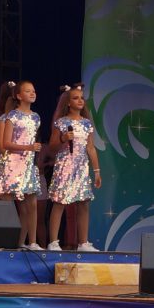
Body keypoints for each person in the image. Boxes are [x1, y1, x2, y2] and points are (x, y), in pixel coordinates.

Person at [0, 80, 46, 249]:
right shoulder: (12, 116)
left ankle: (30, 241)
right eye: (28, 91)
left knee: (31, 204)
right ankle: (4, 240)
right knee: (8, 205)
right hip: (12, 164)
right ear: (19, 96)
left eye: (34, 90)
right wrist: (29, 147)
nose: (32, 93)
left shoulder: (36, 117)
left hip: (28, 164)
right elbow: (5, 143)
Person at [45, 85, 102, 252]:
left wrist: (97, 171)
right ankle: (54, 241)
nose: (80, 101)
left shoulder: (86, 124)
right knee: (60, 202)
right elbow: (52, 148)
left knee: (83, 203)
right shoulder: (61, 122)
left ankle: (83, 242)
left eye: (82, 98)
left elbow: (91, 148)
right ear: (68, 103)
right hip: (64, 166)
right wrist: (63, 138)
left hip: (81, 167)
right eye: (76, 98)